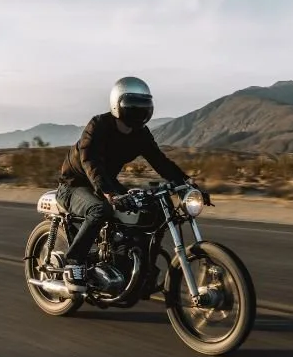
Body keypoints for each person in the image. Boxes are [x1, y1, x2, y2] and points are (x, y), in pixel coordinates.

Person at [55, 76, 193, 293]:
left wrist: (186, 184)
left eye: (143, 105)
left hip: (106, 183)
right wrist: (108, 192)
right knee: (99, 209)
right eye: (132, 105)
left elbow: (160, 161)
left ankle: (138, 266)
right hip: (74, 185)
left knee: (152, 210)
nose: (139, 111)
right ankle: (74, 263)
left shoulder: (140, 134)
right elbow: (90, 161)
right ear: (117, 104)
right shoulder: (98, 126)